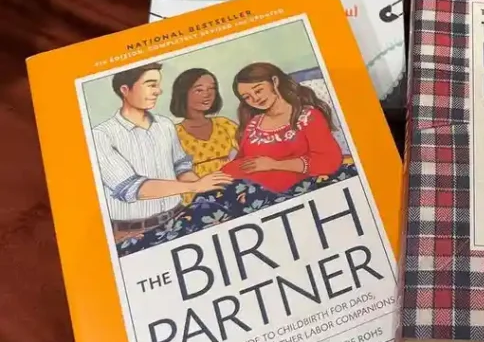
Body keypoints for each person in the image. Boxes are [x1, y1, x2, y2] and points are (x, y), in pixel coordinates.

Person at [92, 63, 232, 244]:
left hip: (179, 218)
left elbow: (181, 167)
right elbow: (132, 188)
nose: (158, 91)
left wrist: (209, 188)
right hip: (132, 233)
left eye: (158, 85)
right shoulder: (101, 135)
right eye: (151, 85)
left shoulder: (165, 125)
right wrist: (196, 186)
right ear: (125, 90)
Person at [220, 62, 345, 193]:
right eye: (247, 97)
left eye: (258, 90)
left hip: (280, 192)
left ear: (274, 81)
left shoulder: (308, 117)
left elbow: (329, 160)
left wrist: (274, 164)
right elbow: (241, 161)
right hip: (241, 188)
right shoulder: (254, 123)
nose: (255, 98)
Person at [169, 68, 238, 204]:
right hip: (195, 198)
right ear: (183, 94)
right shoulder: (173, 133)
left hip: (231, 190)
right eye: (199, 90)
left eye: (212, 88)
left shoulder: (224, 124)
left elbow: (249, 151)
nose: (207, 94)